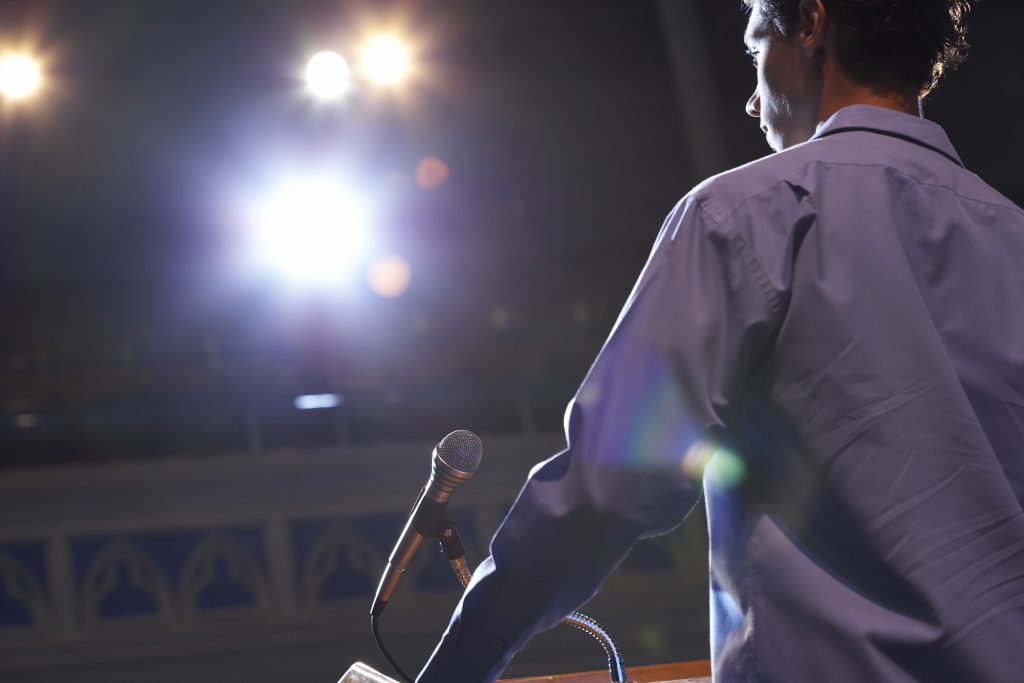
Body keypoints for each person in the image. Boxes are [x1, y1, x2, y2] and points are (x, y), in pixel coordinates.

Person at [418, 0, 1024, 680]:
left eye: (755, 46)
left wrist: (458, 665)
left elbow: (607, 483)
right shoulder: (1011, 235)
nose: (749, 99)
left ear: (813, 22)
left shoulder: (749, 212)